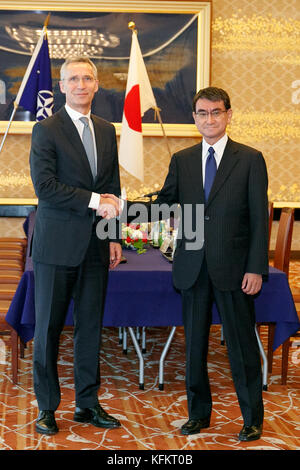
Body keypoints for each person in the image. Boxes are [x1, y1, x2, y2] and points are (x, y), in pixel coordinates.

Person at [114, 86, 268, 441]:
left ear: (229, 115)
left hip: (235, 269)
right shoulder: (182, 160)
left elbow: (260, 220)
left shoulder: (249, 159)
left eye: (216, 112)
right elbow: (164, 204)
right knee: (194, 347)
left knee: (242, 347)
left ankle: (252, 418)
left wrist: (255, 268)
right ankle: (198, 415)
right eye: (202, 113)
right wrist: (121, 208)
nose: (209, 119)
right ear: (194, 117)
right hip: (193, 267)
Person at [30, 56, 122, 435]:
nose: (81, 84)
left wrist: (113, 235)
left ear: (97, 85)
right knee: (49, 328)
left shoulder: (106, 129)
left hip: (96, 247)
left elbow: (112, 188)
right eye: (73, 79)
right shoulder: (46, 130)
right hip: (56, 247)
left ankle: (87, 403)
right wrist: (92, 201)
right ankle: (47, 408)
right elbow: (45, 188)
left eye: (88, 78)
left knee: (90, 328)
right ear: (63, 86)